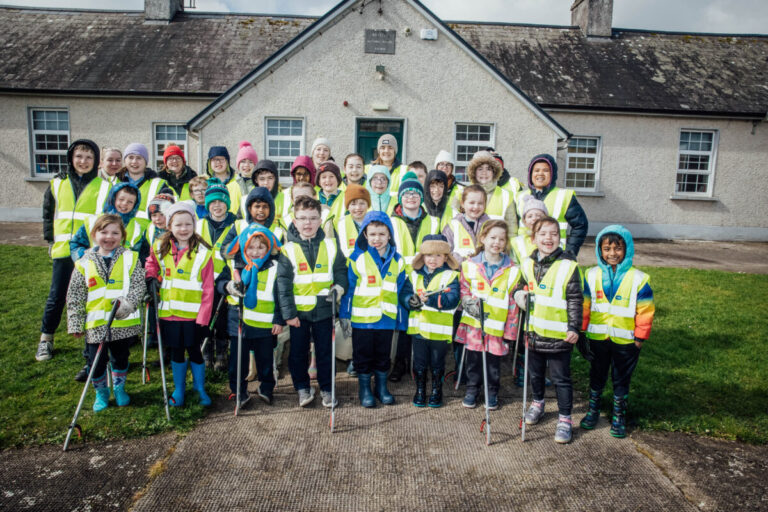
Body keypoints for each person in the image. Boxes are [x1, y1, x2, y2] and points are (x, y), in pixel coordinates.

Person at [38, 139, 111, 363]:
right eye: (79, 156)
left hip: (89, 251)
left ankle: (91, 343)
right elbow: (48, 213)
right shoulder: (57, 182)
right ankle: (46, 339)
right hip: (62, 250)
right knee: (57, 296)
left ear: (96, 161)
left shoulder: (104, 186)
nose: (83, 161)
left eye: (89, 157)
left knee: (92, 296)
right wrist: (50, 239)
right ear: (71, 158)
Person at [580, 225, 655, 438]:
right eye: (607, 249)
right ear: (599, 250)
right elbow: (585, 305)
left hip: (626, 341)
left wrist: (640, 337)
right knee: (597, 374)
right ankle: (593, 409)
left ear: (627, 249)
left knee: (621, 377)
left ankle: (618, 415)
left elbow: (645, 310)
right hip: (598, 338)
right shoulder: (591, 274)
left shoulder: (639, 278)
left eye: (618, 249)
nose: (612, 254)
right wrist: (581, 331)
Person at [66, 214, 146, 411]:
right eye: (104, 232)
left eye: (115, 233)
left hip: (122, 322)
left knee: (121, 357)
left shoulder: (130, 258)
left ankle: (119, 388)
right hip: (95, 324)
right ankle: (101, 393)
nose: (109, 237)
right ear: (94, 234)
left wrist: (130, 303)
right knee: (96, 361)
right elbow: (75, 295)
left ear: (122, 236)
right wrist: (76, 323)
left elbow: (138, 285)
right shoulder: (84, 262)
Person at [516, 216, 583, 444]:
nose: (549, 238)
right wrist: (519, 295)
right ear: (533, 238)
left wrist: (574, 327)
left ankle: (565, 419)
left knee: (560, 378)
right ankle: (538, 403)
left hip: (559, 336)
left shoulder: (568, 266)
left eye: (554, 234)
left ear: (560, 238)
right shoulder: (527, 263)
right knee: (535, 374)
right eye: (543, 234)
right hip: (533, 333)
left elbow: (575, 299)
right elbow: (518, 286)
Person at [276, 196, 348, 407]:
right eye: (303, 218)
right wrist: (289, 314)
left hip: (325, 311)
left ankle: (327, 388)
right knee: (298, 353)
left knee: (325, 352)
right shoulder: (287, 250)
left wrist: (339, 287)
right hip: (298, 314)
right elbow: (283, 285)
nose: (308, 223)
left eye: (313, 218)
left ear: (320, 220)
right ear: (295, 221)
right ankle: (302, 387)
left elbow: (341, 272)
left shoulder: (331, 245)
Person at [340, 211, 414, 408]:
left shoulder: (398, 261)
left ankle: (381, 387)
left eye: (382, 234)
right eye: (372, 234)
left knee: (383, 355)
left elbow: (400, 289)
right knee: (362, 356)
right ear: (365, 235)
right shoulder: (357, 258)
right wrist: (344, 315)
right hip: (362, 320)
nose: (377, 239)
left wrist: (401, 317)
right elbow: (349, 289)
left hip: (386, 318)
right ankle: (364, 389)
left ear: (389, 234)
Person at [145, 202, 214, 407]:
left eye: (188, 224)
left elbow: (208, 288)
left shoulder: (203, 252)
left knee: (195, 351)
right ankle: (179, 388)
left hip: (193, 316)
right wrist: (150, 277)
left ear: (194, 225)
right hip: (169, 313)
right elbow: (151, 264)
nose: (183, 229)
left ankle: (199, 387)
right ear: (170, 226)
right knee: (176, 351)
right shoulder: (159, 246)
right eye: (178, 225)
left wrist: (204, 317)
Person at [457, 220, 521, 411]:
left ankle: (492, 391)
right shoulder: (469, 266)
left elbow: (512, 304)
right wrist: (469, 304)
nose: (497, 242)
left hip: (497, 327)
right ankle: (472, 389)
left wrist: (510, 332)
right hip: (475, 324)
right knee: (473, 359)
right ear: (483, 238)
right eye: (493, 237)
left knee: (493, 363)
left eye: (502, 239)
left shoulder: (512, 271)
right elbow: (464, 290)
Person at [219, 224, 284, 408]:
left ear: (269, 248)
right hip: (238, 321)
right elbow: (220, 282)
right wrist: (228, 286)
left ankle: (266, 388)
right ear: (243, 247)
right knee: (238, 361)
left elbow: (280, 296)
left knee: (265, 359)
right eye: (251, 247)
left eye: (261, 247)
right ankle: (239, 391)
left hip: (264, 324)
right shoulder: (234, 265)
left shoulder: (275, 267)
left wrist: (278, 320)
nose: (256, 252)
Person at [388, 172, 441, 382]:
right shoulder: (391, 221)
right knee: (403, 322)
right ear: (400, 198)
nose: (411, 197)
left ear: (422, 197)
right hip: (400, 277)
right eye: (407, 193)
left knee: (423, 319)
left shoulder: (433, 221)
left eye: (415, 193)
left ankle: (421, 365)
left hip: (426, 276)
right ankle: (399, 363)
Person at [406, 234, 460, 408]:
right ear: (422, 256)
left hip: (439, 331)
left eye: (438, 255)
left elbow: (452, 299)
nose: (433, 259)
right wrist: (409, 300)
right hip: (418, 329)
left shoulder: (451, 276)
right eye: (429, 255)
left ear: (446, 257)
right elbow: (404, 293)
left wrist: (431, 300)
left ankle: (437, 390)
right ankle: (420, 390)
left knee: (437, 363)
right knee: (420, 363)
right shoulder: (413, 275)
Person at [196, 179, 237, 370]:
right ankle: (206, 352)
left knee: (221, 318)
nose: (217, 205)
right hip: (203, 279)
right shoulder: (200, 224)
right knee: (205, 315)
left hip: (225, 278)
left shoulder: (235, 224)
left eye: (221, 201)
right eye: (213, 202)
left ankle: (221, 351)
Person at [516, 154, 589, 256]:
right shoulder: (520, 196)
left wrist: (570, 251)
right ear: (530, 174)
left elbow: (580, 225)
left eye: (545, 170)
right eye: (536, 170)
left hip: (555, 255)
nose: (540, 174)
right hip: (525, 255)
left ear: (553, 174)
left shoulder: (564, 196)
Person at [466, 150, 517, 235]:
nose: (484, 172)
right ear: (474, 172)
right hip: (470, 246)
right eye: (480, 169)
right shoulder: (464, 194)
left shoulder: (506, 196)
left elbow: (512, 230)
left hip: (497, 246)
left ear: (494, 172)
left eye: (488, 169)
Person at [118, 143, 169, 221]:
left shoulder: (159, 185)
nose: (134, 161)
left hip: (146, 232)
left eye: (139, 158)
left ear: (146, 162)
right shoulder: (114, 182)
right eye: (131, 157)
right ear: (125, 160)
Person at [443, 185, 490, 263]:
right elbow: (445, 254)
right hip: (459, 272)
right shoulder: (452, 226)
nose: (476, 207)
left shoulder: (490, 226)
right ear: (462, 204)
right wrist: (466, 263)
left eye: (480, 203)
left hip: (484, 273)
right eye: (472, 203)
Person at [336, 184, 371, 258]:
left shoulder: (374, 221)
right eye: (353, 204)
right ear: (348, 207)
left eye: (362, 203)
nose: (358, 208)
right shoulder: (343, 223)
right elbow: (344, 251)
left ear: (368, 205)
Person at [511, 196, 548, 265]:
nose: (534, 219)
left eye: (538, 215)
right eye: (530, 216)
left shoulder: (551, 239)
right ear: (524, 221)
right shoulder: (516, 242)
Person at [367, 134, 404, 200]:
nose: (386, 151)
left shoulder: (404, 170)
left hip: (394, 210)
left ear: (395, 151)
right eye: (383, 147)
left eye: (390, 147)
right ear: (379, 151)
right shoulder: (367, 169)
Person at [229, 141, 259, 218]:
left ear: (255, 165)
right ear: (238, 165)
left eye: (250, 162)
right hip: (234, 226)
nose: (246, 165)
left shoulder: (259, 186)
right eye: (243, 161)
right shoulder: (229, 187)